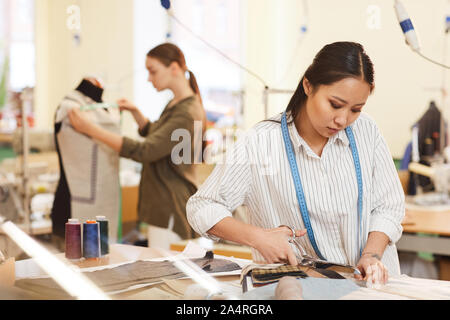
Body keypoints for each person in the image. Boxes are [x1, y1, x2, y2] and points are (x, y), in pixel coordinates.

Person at [187, 42, 405, 285]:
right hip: (303, 289)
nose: (343, 119)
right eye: (334, 104)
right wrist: (257, 237)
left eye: (356, 109)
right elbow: (202, 206)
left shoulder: (366, 131)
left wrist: (372, 255)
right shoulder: (261, 143)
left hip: (370, 287)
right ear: (308, 85)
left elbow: (388, 206)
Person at [68, 43, 207, 245]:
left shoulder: (187, 112)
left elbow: (146, 150)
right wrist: (136, 112)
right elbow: (160, 137)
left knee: (165, 271)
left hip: (171, 207)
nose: (149, 78)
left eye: (153, 71)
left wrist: (90, 129)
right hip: (166, 204)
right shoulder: (177, 104)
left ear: (174, 68)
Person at [51, 76, 121, 248]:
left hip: (107, 203)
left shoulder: (109, 111)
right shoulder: (68, 108)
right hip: (71, 205)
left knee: (103, 265)